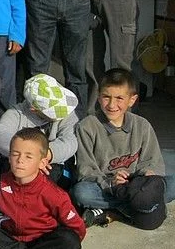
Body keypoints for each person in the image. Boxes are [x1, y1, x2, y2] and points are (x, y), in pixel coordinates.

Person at [73, 68, 175, 230]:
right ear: (99, 97)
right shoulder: (87, 126)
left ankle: (113, 211)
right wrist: (110, 183)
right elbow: (86, 169)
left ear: (132, 100)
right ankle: (141, 208)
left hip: (137, 185)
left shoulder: (142, 125)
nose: (112, 105)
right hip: (107, 187)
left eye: (120, 98)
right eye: (106, 97)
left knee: (172, 184)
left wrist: (142, 175)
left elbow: (153, 162)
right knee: (81, 193)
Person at [0, 74, 79, 190]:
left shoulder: (67, 113)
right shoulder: (16, 113)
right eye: (53, 111)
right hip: (21, 163)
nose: (60, 115)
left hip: (52, 163)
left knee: (50, 176)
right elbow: (0, 134)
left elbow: (70, 141)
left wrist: (47, 154)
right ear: (34, 109)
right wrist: (30, 157)